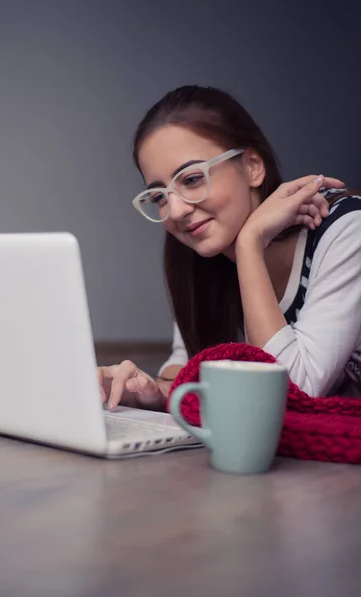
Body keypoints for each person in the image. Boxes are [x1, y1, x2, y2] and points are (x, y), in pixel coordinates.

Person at [99, 85, 361, 411]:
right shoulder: (198, 252)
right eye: (159, 197)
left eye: (192, 179)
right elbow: (190, 366)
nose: (176, 210)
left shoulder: (345, 230)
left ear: (252, 165)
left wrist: (250, 244)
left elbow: (293, 393)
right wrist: (149, 392)